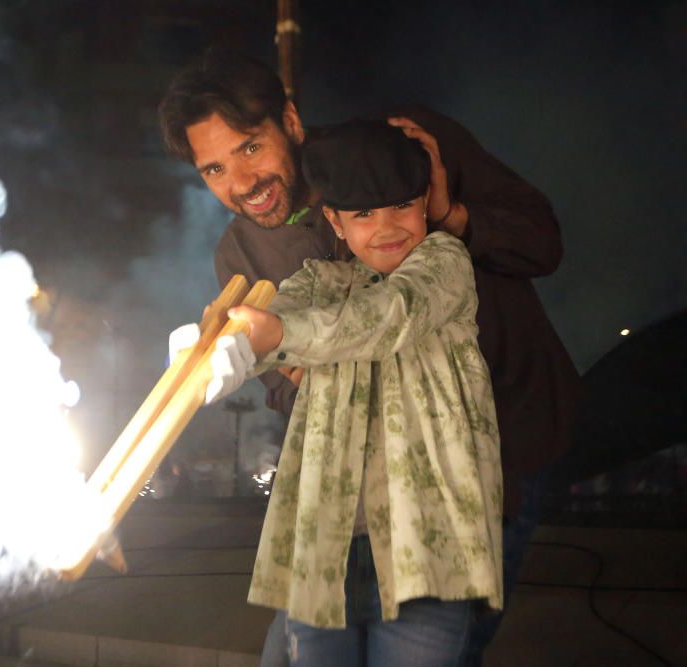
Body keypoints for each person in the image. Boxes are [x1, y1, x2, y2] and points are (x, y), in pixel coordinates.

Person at [158, 48, 580, 665]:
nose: (241, 183)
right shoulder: (242, 252)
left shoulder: (404, 149)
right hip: (359, 495)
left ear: (292, 123)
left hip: (496, 450)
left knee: (436, 643)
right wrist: (245, 352)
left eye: (250, 147)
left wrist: (444, 214)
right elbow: (289, 354)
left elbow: (538, 242)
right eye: (214, 169)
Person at [192, 119, 503, 666]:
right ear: (334, 221)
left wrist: (282, 336)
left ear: (425, 202)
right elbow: (272, 319)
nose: (386, 227)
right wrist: (222, 348)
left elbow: (388, 316)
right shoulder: (319, 281)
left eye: (401, 206)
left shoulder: (444, 264)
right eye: (362, 213)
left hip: (429, 552)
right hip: (324, 551)